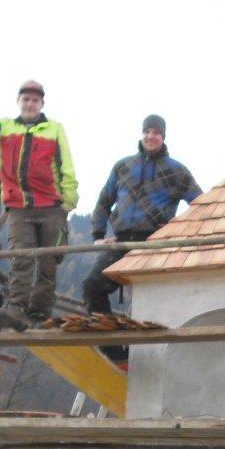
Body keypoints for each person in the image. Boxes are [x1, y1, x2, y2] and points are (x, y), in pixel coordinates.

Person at [0, 80, 79, 331]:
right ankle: (16, 308)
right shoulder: (5, 127)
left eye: (35, 100)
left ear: (42, 104)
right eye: (26, 99)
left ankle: (39, 314)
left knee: (48, 262)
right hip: (19, 207)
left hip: (51, 206)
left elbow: (66, 166)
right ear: (18, 101)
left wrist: (68, 202)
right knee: (21, 258)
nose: (30, 104)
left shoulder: (54, 129)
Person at [83, 115, 202, 361]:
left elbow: (200, 204)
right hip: (122, 240)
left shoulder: (177, 171)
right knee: (92, 286)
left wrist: (178, 229)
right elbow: (104, 202)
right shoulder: (123, 166)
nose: (151, 136)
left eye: (156, 132)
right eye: (147, 131)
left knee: (149, 294)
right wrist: (98, 235)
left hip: (154, 242)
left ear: (163, 137)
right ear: (142, 134)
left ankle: (149, 354)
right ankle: (114, 351)